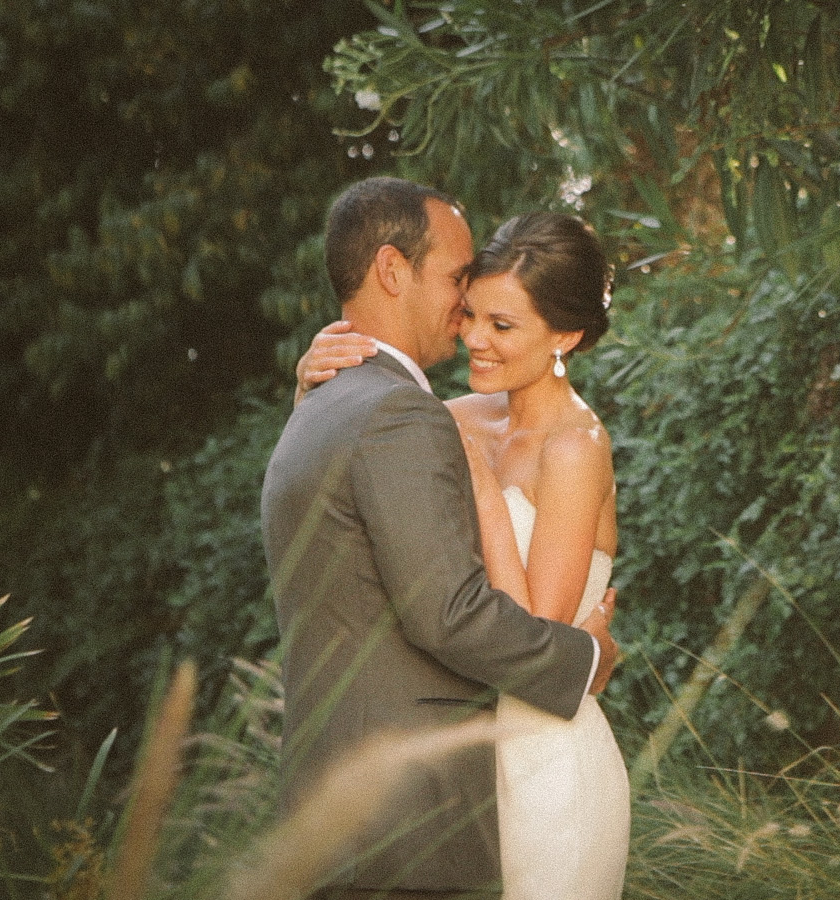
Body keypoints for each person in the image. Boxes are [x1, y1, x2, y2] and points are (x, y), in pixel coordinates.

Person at [261, 177, 618, 900]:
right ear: (395, 270)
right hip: (422, 794)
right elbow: (445, 610)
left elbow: (523, 626)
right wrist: (587, 658)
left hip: (520, 762)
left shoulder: (565, 445)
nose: (470, 328)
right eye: (465, 294)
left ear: (565, 335)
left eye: (501, 323)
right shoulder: (412, 413)